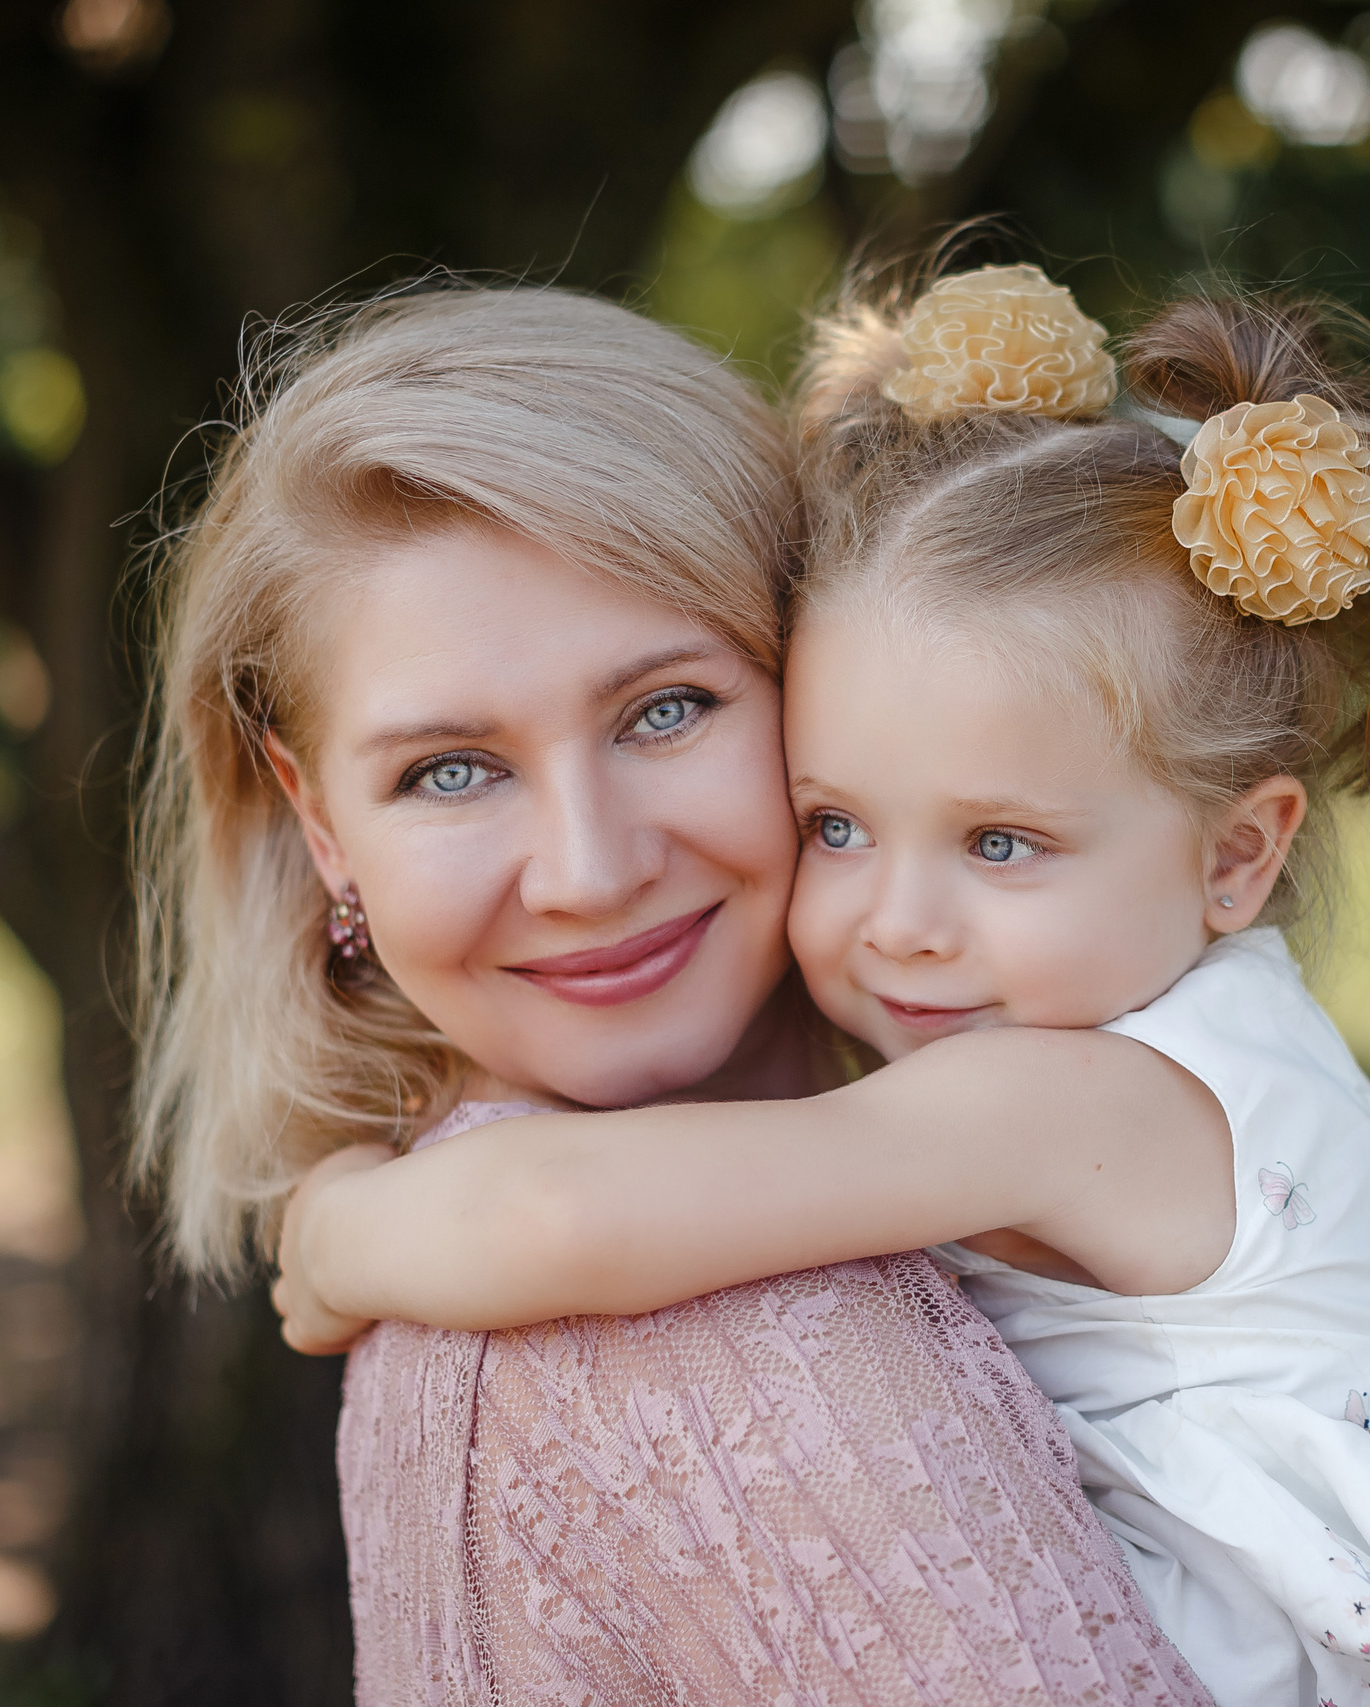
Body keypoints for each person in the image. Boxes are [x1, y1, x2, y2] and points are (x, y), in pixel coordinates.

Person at [273, 264, 1370, 1707]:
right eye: (837, 825)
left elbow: (561, 1214)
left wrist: (335, 1237)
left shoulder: (1084, 1100)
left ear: (1237, 857)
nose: (899, 924)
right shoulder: (1120, 1043)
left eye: (1003, 843)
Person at [130, 281, 1215, 1706]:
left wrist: (340, 1228)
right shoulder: (718, 1334)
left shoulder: (479, 1245)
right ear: (318, 823)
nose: (587, 872)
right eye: (447, 771)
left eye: (666, 709)